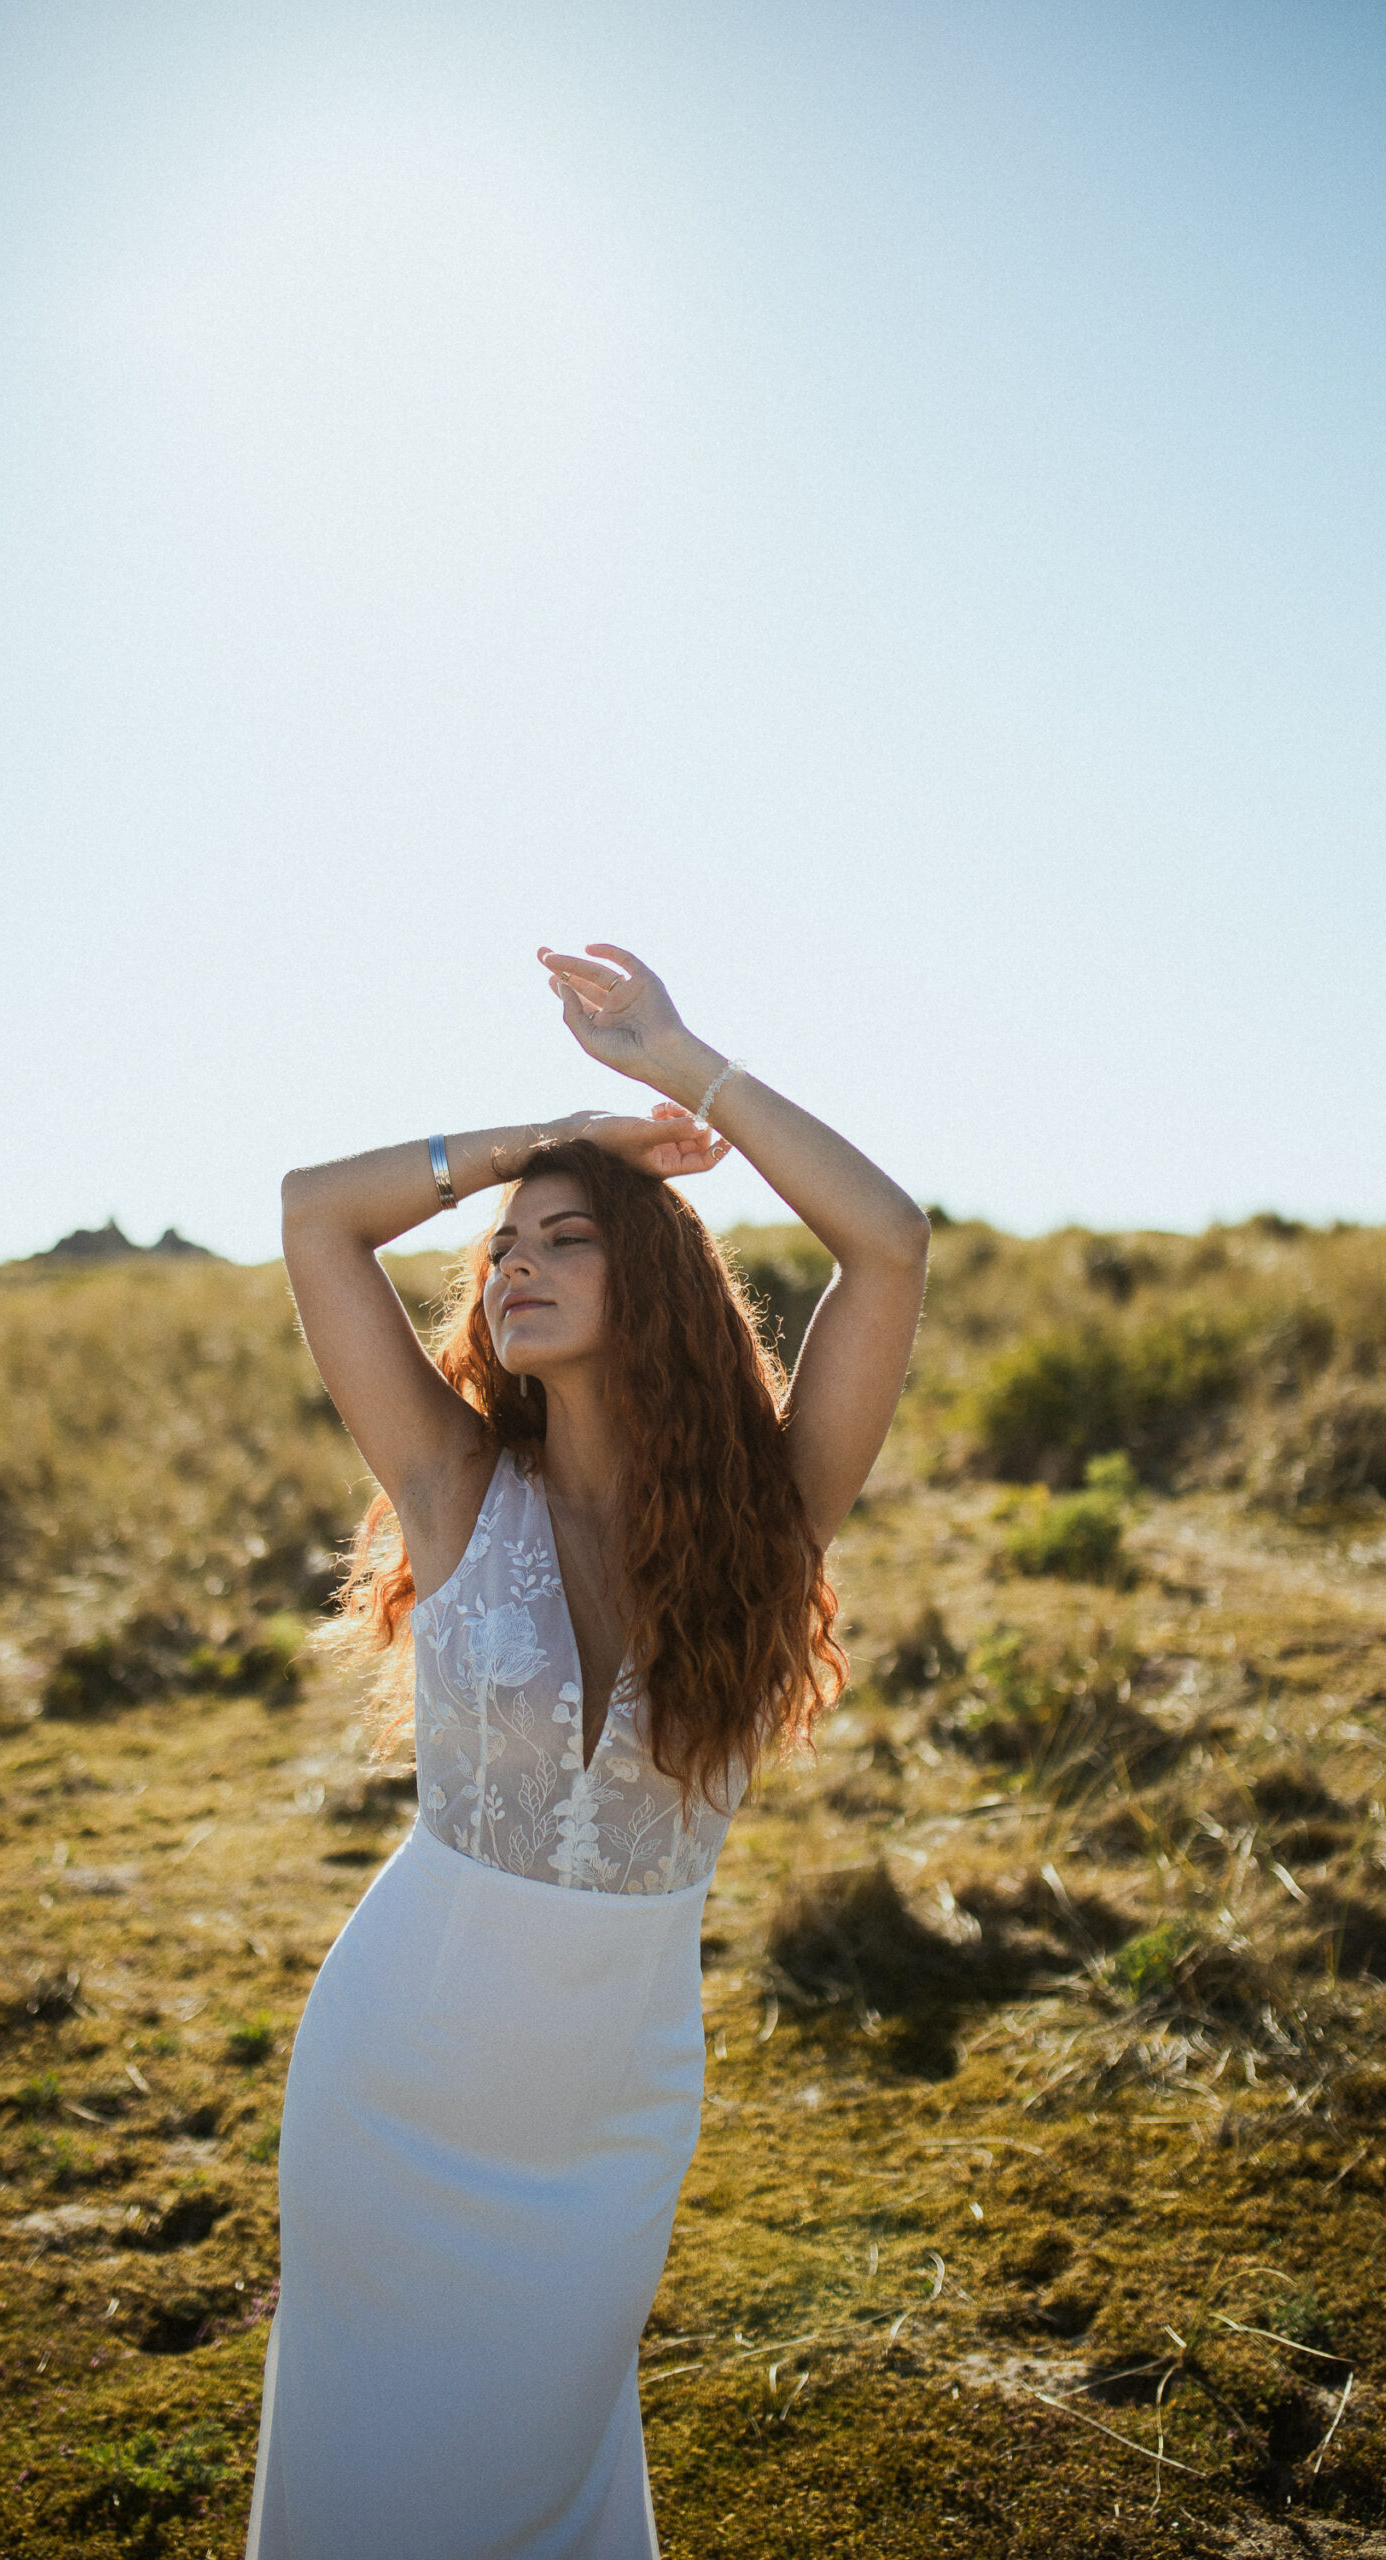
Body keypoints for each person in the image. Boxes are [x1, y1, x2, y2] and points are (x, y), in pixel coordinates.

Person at [245, 944, 929, 2560]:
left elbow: (889, 1247)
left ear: (659, 1287)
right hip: (396, 2082)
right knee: (367, 2471)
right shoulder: (458, 1488)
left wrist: (684, 1065)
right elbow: (311, 1211)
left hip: (606, 2110)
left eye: (569, 1242)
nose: (513, 1268)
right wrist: (542, 1137)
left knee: (541, 2470)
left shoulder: (772, 1519)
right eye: (505, 1250)